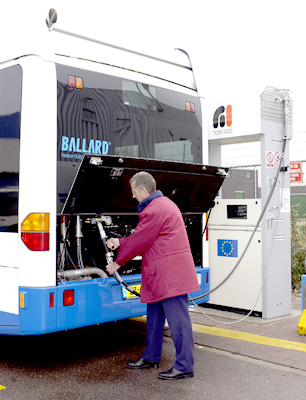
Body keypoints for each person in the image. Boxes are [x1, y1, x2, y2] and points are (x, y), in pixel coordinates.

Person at [106, 171, 200, 380]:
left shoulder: (154, 209)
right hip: (162, 273)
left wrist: (117, 262)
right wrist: (121, 242)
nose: (132, 196)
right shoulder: (163, 204)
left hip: (169, 275)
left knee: (179, 322)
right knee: (155, 318)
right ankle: (151, 357)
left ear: (142, 190)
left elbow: (141, 239)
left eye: (133, 192)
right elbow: (145, 236)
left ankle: (185, 366)